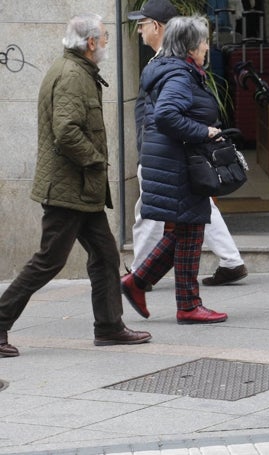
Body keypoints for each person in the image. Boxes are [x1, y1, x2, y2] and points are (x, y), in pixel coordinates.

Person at [0, 13, 152, 358]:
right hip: (69, 187)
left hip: (81, 189)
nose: (107, 44)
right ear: (91, 43)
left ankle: (109, 327)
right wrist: (95, 159)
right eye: (105, 38)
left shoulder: (76, 70)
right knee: (49, 260)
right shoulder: (72, 76)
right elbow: (66, 131)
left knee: (104, 254)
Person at [127, 0, 248, 289]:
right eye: (204, 42)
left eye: (142, 24)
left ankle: (138, 275)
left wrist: (204, 133)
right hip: (168, 153)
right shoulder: (175, 66)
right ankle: (225, 265)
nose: (139, 30)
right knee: (191, 210)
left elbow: (164, 115)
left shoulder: (169, 67)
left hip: (164, 154)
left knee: (153, 212)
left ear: (157, 26)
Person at [120, 15, 230, 325]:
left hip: (174, 162)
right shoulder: (179, 76)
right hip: (179, 164)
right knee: (191, 232)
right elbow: (167, 115)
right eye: (204, 41)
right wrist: (204, 132)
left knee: (186, 231)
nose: (208, 46)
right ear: (191, 46)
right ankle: (187, 305)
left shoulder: (175, 69)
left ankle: (138, 282)